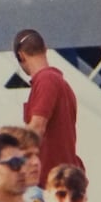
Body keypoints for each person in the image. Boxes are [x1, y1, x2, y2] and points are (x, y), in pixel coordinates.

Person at [16, 28, 83, 180]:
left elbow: (36, 128)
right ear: (45, 49)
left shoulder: (46, 80)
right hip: (61, 175)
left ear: (21, 56)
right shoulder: (61, 83)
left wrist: (5, 150)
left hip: (48, 178)